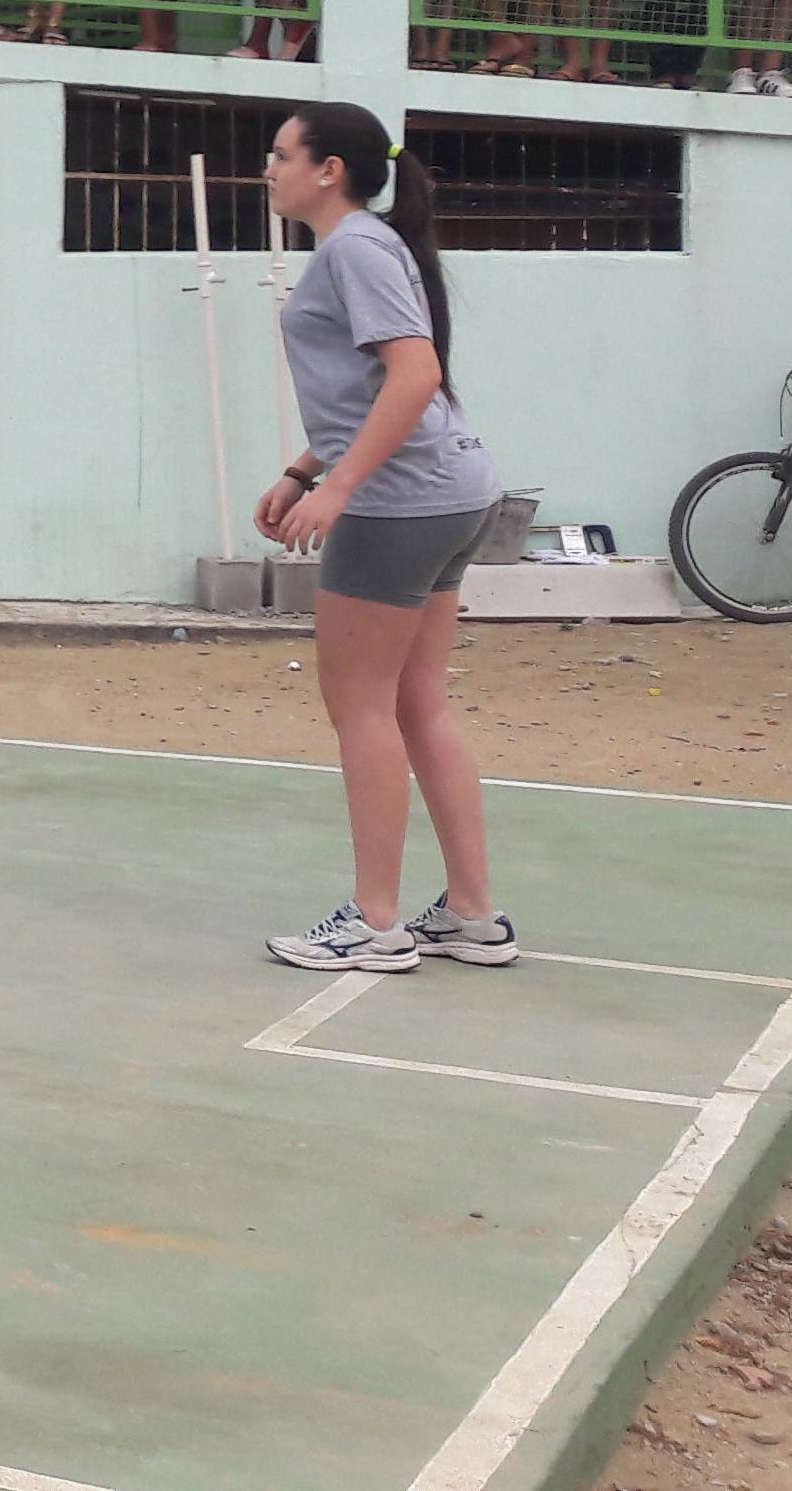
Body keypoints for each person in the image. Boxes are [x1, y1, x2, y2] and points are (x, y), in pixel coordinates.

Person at [255, 103, 513, 975]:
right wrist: (304, 470)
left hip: (402, 504)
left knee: (360, 706)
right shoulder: (366, 245)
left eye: (281, 154)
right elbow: (369, 387)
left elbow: (415, 373)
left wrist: (341, 488)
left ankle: (374, 923)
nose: (268, 168)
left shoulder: (354, 249)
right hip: (451, 490)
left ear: (328, 170)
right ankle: (473, 913)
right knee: (416, 702)